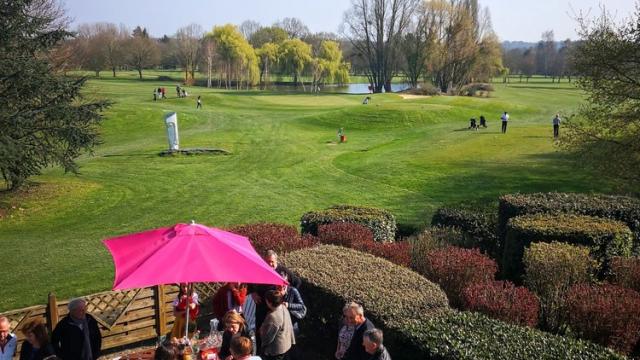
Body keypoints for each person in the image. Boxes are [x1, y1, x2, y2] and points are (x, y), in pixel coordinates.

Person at [259, 290, 295, 360]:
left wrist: (261, 331)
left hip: (276, 349)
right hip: (286, 342)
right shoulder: (283, 307)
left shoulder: (273, 316)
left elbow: (268, 337)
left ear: (269, 302)